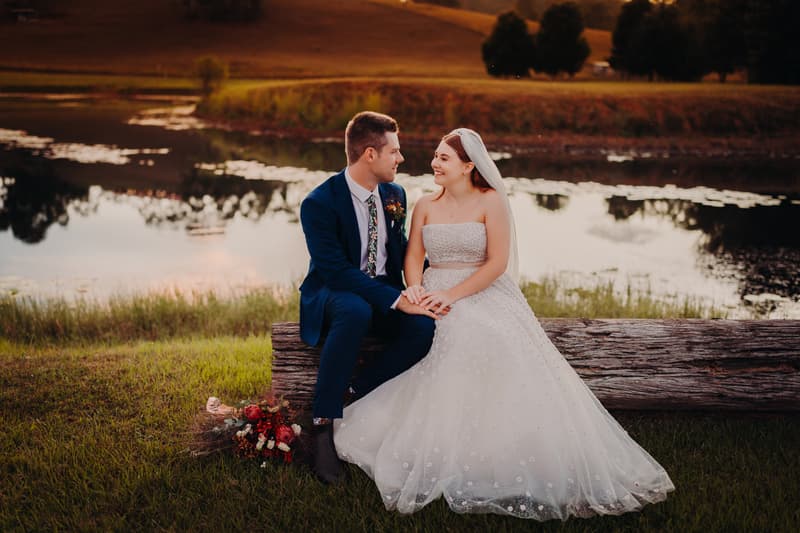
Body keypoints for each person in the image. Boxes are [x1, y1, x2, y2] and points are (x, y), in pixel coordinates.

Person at [333, 128, 675, 519]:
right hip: (431, 290)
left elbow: (496, 263)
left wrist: (452, 295)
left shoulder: (491, 202)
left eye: (443, 158)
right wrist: (415, 290)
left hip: (480, 290)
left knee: (484, 336)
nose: (434, 163)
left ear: (467, 165)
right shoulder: (425, 204)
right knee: (432, 335)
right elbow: (413, 257)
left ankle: (493, 451)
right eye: (436, 156)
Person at [298, 111, 438, 485]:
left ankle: (353, 392)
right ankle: (322, 422)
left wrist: (420, 289)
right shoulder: (319, 203)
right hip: (335, 292)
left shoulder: (394, 194)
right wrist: (394, 301)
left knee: (422, 328)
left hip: (382, 290)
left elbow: (401, 249)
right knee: (356, 309)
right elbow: (336, 272)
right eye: (395, 150)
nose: (401, 158)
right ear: (370, 155)